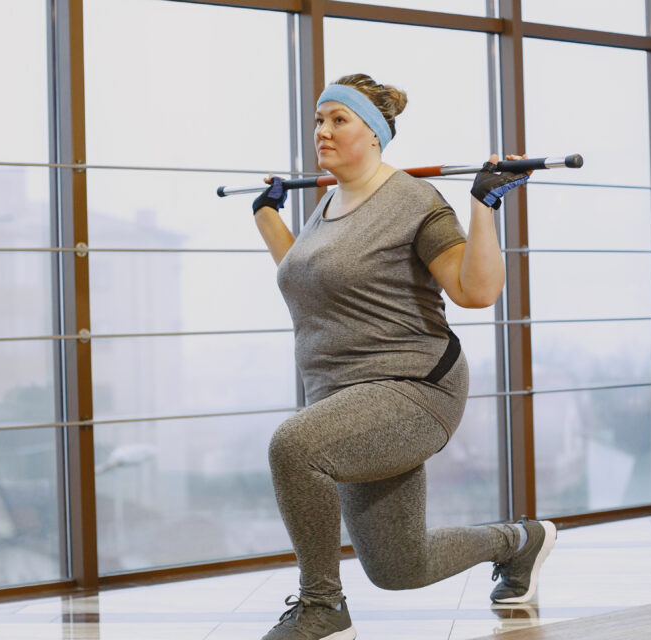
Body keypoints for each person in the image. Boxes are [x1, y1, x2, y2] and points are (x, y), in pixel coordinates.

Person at [250, 73, 556, 640]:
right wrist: (267, 214)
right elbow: (307, 278)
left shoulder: (414, 200)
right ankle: (520, 541)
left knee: (293, 448)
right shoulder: (326, 205)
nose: (323, 130)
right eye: (320, 120)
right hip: (347, 398)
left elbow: (475, 291)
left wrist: (483, 205)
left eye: (339, 120)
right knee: (399, 567)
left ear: (374, 134)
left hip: (414, 388)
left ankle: (322, 607)